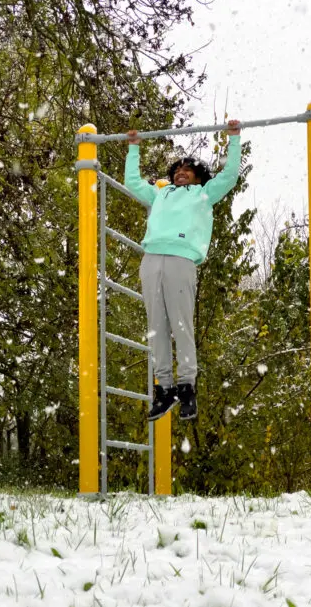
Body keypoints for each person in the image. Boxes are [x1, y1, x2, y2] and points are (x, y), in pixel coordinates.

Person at [124, 120, 243, 421]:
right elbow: (133, 183)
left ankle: (186, 385)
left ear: (199, 177)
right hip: (151, 258)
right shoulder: (160, 194)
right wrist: (133, 149)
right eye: (177, 169)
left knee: (180, 324)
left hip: (181, 260)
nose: (180, 172)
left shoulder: (203, 194)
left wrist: (233, 139)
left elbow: (230, 176)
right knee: (157, 326)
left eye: (187, 169)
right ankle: (164, 388)